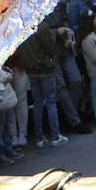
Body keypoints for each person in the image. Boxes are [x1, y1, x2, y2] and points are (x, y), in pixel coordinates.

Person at [19, 16, 69, 149]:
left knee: (37, 103)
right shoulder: (41, 26)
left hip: (31, 69)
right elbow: (50, 45)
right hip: (45, 68)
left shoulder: (21, 27)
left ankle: (39, 138)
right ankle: (55, 136)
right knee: (51, 101)